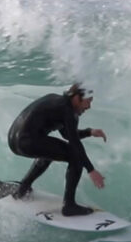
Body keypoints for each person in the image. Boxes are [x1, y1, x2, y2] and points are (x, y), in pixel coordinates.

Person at [7, 82, 107, 216]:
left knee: (50, 151)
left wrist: (89, 132)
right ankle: (69, 206)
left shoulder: (57, 102)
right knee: (75, 155)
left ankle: (23, 188)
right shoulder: (68, 111)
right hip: (26, 142)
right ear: (77, 98)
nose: (89, 106)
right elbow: (75, 143)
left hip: (14, 141)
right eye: (88, 101)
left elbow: (66, 134)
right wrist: (91, 170)